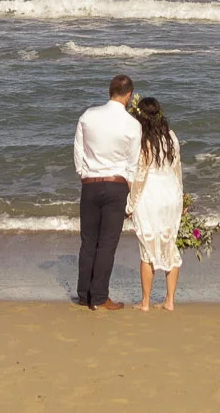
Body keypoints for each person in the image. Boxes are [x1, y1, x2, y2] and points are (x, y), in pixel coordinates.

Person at [71, 73, 139, 311]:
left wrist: (83, 173)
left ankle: (83, 294)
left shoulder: (89, 115)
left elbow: (78, 149)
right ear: (129, 95)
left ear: (109, 92)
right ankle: (99, 296)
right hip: (116, 184)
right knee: (107, 244)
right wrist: (129, 193)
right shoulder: (132, 124)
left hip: (90, 183)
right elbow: (133, 164)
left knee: (88, 241)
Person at [129, 96, 185, 311]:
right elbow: (177, 169)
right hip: (171, 195)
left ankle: (145, 303)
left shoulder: (143, 140)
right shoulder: (171, 136)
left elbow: (140, 176)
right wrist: (182, 198)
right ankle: (170, 301)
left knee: (147, 251)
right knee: (170, 247)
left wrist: (129, 205)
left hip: (150, 197)